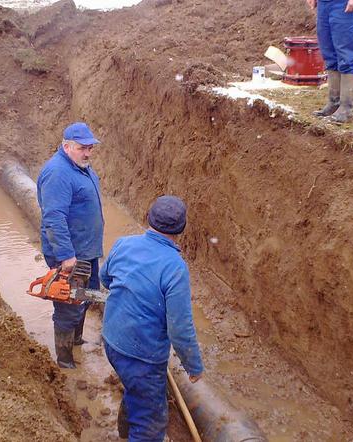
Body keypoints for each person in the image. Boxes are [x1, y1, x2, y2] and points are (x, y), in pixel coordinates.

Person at [100, 196, 204, 442]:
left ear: (149, 218)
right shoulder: (175, 267)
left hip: (112, 341)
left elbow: (106, 280)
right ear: (181, 229)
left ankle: (124, 434)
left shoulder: (123, 244)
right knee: (151, 422)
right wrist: (194, 366)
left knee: (134, 391)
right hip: (142, 359)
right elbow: (179, 328)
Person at [37, 122, 104, 369]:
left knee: (83, 297)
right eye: (82, 148)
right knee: (68, 304)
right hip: (72, 254)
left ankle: (76, 340)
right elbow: (53, 217)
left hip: (86, 251)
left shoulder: (80, 167)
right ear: (66, 146)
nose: (87, 153)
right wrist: (66, 256)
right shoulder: (58, 173)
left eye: (90, 148)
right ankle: (65, 361)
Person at [307, 0, 353, 123]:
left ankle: (346, 109)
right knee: (329, 53)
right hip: (325, 4)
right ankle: (334, 104)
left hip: (344, 3)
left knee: (348, 53)